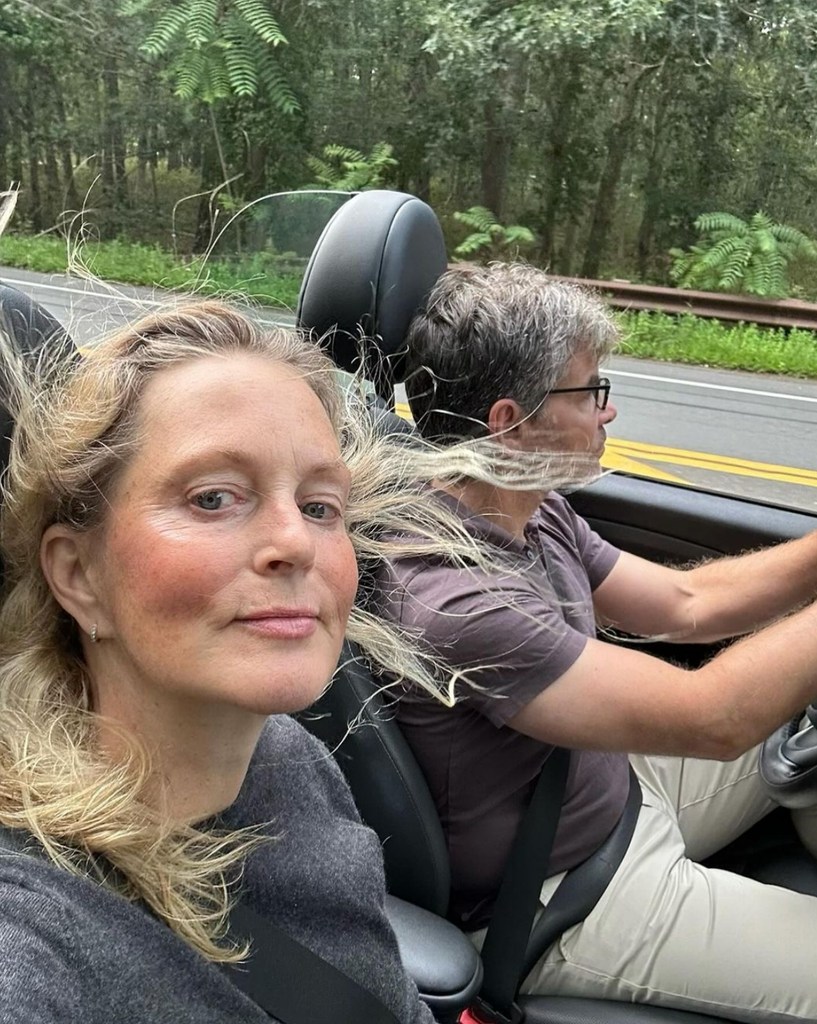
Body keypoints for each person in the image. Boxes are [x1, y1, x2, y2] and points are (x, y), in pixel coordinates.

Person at [0, 296, 492, 1023]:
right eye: (213, 498)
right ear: (78, 575)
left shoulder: (289, 757)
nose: (296, 543)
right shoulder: (31, 930)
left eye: (322, 506)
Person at [372, 261, 817, 1022]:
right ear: (511, 419)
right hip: (558, 891)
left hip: (604, 785)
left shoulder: (524, 503)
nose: (605, 413)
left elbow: (684, 602)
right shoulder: (454, 594)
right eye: (590, 392)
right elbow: (712, 717)